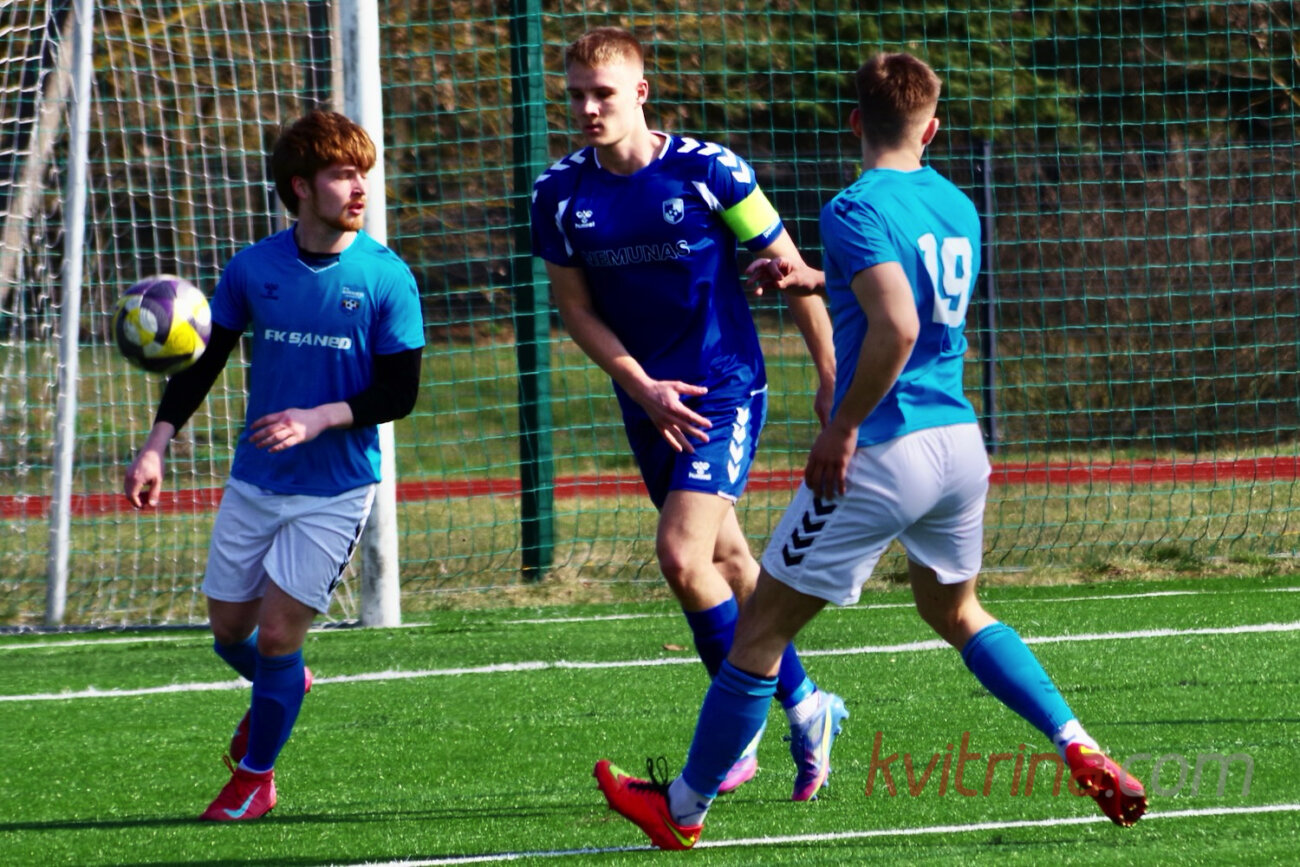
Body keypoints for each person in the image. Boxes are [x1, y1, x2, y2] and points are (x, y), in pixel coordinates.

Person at [593, 52, 1148, 849]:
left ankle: (680, 809)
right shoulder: (956, 202)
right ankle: (1075, 740)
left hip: (885, 449)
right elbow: (909, 293)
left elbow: (898, 325)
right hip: (959, 446)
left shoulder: (852, 205)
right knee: (956, 611)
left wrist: (842, 425)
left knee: (759, 633)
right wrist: (816, 280)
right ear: (933, 128)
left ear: (855, 121)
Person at [530, 26, 847, 800]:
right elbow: (574, 309)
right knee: (729, 562)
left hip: (722, 388)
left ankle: (733, 736)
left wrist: (831, 374)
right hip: (649, 401)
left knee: (679, 555)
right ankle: (808, 705)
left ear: (640, 92)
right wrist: (642, 387)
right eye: (576, 94)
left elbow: (790, 267)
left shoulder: (710, 171)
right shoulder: (558, 194)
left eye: (604, 93)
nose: (588, 108)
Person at [123, 109, 425, 821]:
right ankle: (285, 684)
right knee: (231, 631)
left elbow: (399, 393)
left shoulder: (387, 278)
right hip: (255, 479)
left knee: (282, 635)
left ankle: (255, 777)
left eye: (363, 174)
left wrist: (318, 417)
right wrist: (155, 444)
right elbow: (202, 367)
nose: (360, 188)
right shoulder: (252, 269)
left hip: (336, 488)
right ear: (301, 186)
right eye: (342, 175)